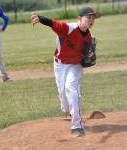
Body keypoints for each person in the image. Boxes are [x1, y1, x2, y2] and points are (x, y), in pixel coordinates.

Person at [30, 7, 100, 137]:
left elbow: (86, 61)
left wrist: (89, 58)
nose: (91, 20)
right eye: (88, 17)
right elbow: (53, 23)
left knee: (71, 88)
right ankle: (69, 111)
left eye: (93, 18)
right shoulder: (68, 28)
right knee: (63, 97)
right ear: (79, 19)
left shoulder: (89, 38)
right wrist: (40, 18)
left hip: (75, 66)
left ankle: (77, 126)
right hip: (60, 65)